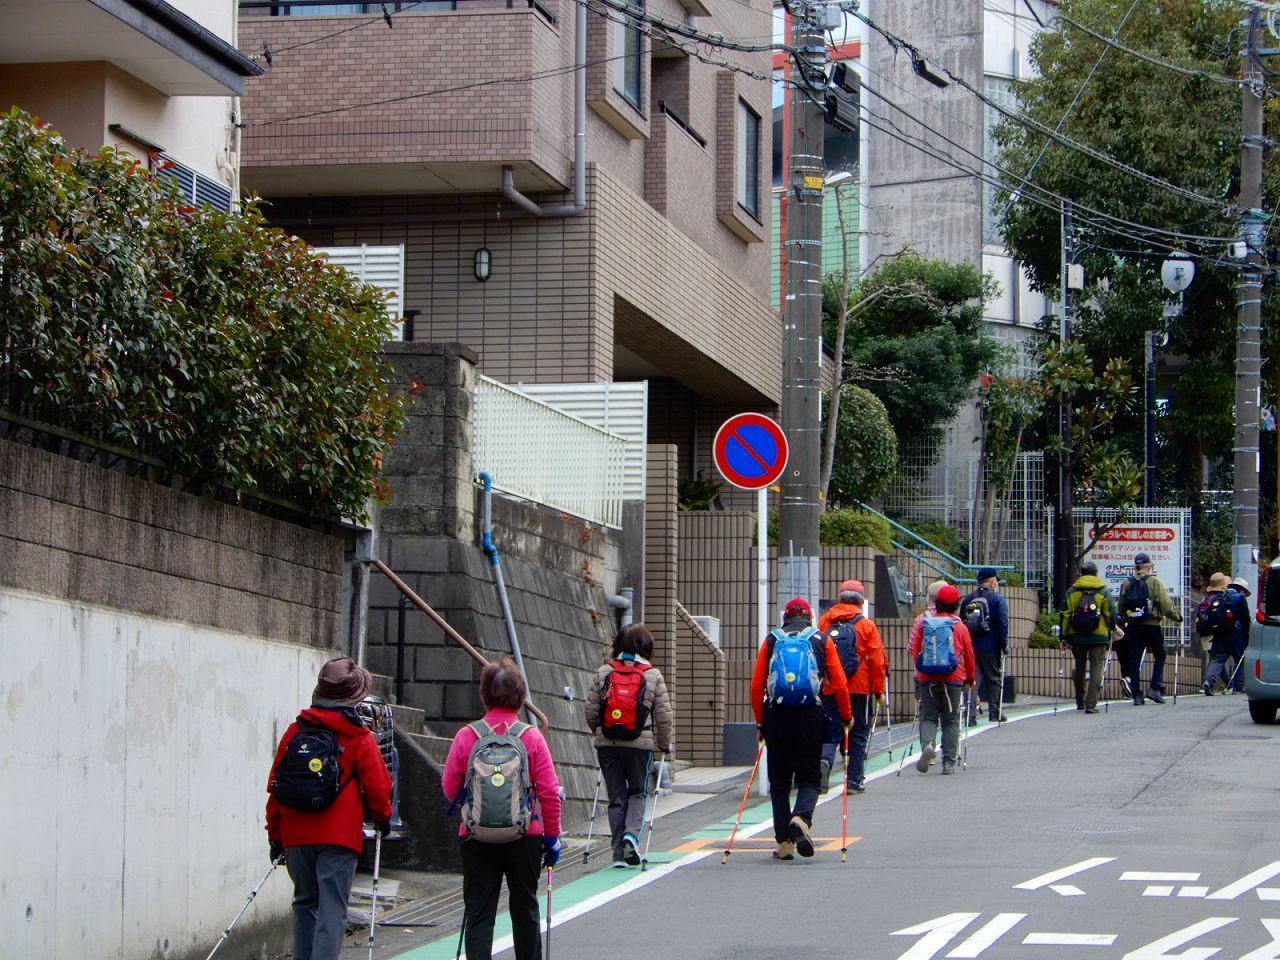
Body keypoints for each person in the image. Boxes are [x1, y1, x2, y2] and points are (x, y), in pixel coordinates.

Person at [265, 657, 393, 960]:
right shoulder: (360, 737)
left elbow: (275, 787)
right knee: (332, 910)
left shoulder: (295, 732)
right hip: (338, 836)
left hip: (296, 833)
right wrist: (382, 818)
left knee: (304, 903)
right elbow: (379, 788)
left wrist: (275, 834)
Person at [442, 659, 561, 960]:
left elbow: (449, 787)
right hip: (525, 834)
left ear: (483, 694)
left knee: (479, 913)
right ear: (521, 696)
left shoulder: (467, 736)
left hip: (475, 835)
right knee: (525, 909)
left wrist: (474, 802)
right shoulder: (531, 737)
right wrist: (552, 838)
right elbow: (548, 791)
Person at [751, 597, 851, 860]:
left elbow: (757, 685)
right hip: (810, 716)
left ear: (786, 617)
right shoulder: (820, 639)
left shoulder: (772, 640)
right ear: (809, 617)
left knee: (780, 783)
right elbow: (838, 682)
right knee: (809, 778)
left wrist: (761, 722)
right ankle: (802, 818)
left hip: (777, 716)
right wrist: (846, 716)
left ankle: (784, 843)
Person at [584, 622, 674, 867]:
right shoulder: (652, 675)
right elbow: (663, 716)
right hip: (639, 744)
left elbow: (591, 712)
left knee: (616, 797)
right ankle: (631, 837)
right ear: (647, 647)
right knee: (638, 792)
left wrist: (602, 733)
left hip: (608, 745)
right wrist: (663, 745)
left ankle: (617, 854)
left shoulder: (604, 672)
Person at [817, 579, 887, 795]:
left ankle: (825, 761)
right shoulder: (866, 625)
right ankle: (854, 781)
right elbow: (876, 659)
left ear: (839, 599)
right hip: (858, 686)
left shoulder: (825, 622)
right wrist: (879, 689)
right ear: (860, 602)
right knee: (857, 732)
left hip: (830, 685)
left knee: (831, 730)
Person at [908, 584, 975, 775]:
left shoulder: (924, 624)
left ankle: (928, 745)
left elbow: (916, 651)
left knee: (928, 717)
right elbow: (969, 655)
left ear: (936, 603)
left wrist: (922, 672)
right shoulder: (960, 627)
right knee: (951, 721)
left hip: (927, 678)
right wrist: (970, 678)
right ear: (956, 605)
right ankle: (948, 763)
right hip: (953, 679)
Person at [1119, 552, 1182, 705]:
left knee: (1135, 659)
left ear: (1135, 567)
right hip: (1152, 625)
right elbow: (1166, 607)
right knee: (1160, 654)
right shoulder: (1154, 582)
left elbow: (1120, 606)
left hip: (1133, 626)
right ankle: (1154, 688)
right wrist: (1176, 617)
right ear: (1149, 566)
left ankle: (1137, 695)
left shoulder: (1126, 583)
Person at [1060, 561, 1120, 713]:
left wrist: (1064, 636)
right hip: (1098, 637)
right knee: (1096, 668)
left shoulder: (1072, 592)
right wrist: (1112, 627)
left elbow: (1065, 615)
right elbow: (1110, 613)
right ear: (1096, 573)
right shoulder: (1103, 591)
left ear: (1081, 573)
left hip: (1076, 636)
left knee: (1079, 666)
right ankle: (1091, 704)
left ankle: (1080, 700)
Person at [960, 567, 1009, 723]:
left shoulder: (968, 600)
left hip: (971, 647)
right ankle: (995, 713)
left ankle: (970, 715)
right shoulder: (997, 600)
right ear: (992, 581)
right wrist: (1003, 645)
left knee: (972, 681)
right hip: (991, 646)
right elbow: (1002, 623)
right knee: (994, 679)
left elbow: (962, 623)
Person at [1200, 573, 1251, 695]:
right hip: (1237, 635)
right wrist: (1248, 631)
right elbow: (1245, 618)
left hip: (1220, 634)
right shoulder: (1239, 598)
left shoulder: (1218, 598)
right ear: (1242, 590)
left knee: (1218, 659)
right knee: (1241, 659)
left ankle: (1209, 682)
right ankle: (1238, 686)